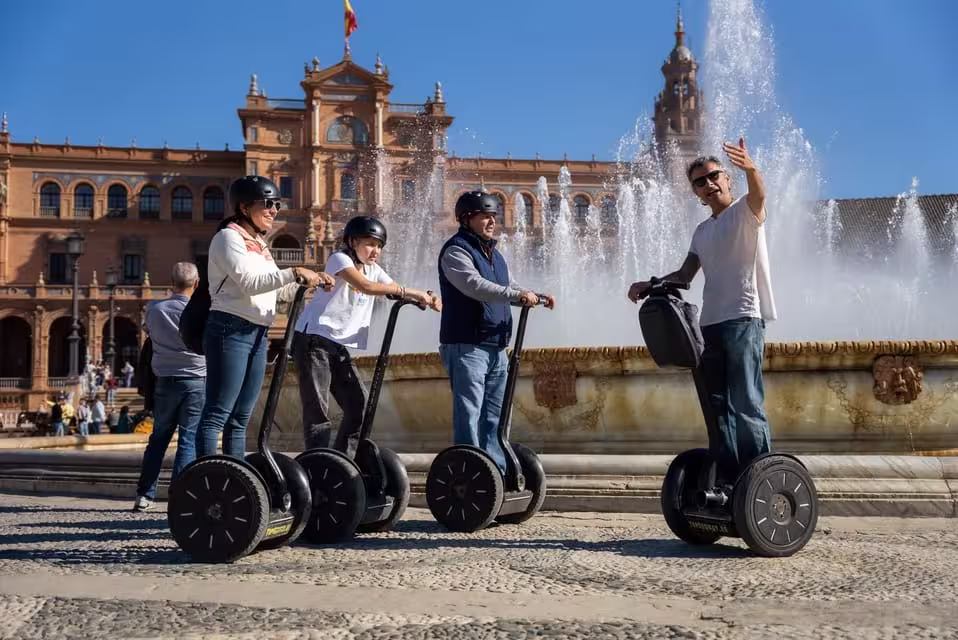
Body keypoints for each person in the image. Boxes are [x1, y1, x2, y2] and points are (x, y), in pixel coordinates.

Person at [627, 137, 776, 487]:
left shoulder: (745, 211)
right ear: (695, 192)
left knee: (746, 403)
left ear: (727, 179)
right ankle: (727, 480)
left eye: (714, 177)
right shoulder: (702, 231)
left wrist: (751, 168)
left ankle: (759, 481)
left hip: (743, 319)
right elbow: (684, 277)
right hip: (709, 324)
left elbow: (760, 196)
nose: (708, 185)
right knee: (718, 406)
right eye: (700, 182)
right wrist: (649, 284)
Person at [195, 176, 333, 459]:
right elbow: (250, 282)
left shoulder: (260, 244)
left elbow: (277, 291)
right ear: (244, 208)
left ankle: (236, 477)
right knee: (217, 414)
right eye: (268, 204)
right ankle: (206, 476)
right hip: (229, 329)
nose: (274, 210)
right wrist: (294, 271)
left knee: (241, 418)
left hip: (258, 333)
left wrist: (312, 281)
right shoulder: (228, 237)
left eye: (277, 205)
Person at [293, 216, 441, 457]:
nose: (376, 251)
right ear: (352, 242)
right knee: (317, 409)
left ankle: (343, 460)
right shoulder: (339, 259)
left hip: (337, 344)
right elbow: (366, 287)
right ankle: (318, 463)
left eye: (380, 246)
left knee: (358, 405)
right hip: (313, 340)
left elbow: (392, 287)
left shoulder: (374, 269)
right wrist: (410, 292)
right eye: (370, 244)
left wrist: (424, 296)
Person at [437, 191, 556, 472]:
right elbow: (473, 285)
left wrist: (535, 295)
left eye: (493, 216)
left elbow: (510, 285)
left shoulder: (496, 254)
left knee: (496, 416)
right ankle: (469, 471)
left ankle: (495, 474)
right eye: (484, 216)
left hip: (496, 345)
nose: (491, 221)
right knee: (469, 414)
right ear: (467, 219)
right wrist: (518, 296)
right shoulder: (456, 251)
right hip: (466, 344)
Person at [133, 262, 206, 512]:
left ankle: (144, 496)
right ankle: (179, 498)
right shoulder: (202, 311)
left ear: (171, 282)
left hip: (164, 382)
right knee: (188, 440)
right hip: (196, 381)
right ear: (196, 284)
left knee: (158, 439)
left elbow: (149, 333)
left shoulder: (154, 309)